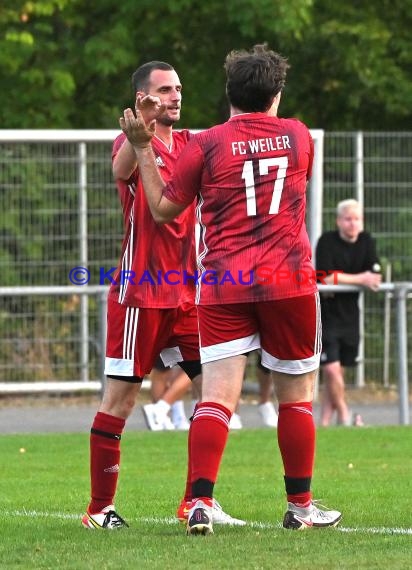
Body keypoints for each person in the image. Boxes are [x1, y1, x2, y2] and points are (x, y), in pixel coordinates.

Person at [120, 43, 342, 534]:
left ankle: (200, 503)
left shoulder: (205, 144)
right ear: (276, 94)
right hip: (288, 280)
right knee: (297, 397)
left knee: (216, 398)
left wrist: (141, 146)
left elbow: (160, 208)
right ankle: (300, 507)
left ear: (229, 93)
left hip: (225, 282)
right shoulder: (300, 136)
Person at [82, 60, 244, 530]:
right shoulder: (132, 144)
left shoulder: (194, 143)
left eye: (178, 88)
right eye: (164, 91)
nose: (175, 96)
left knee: (215, 392)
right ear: (142, 100)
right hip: (141, 293)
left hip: (190, 296)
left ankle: (196, 500)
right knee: (121, 402)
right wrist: (140, 136)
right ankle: (99, 509)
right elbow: (121, 165)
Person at [315, 199, 381, 426]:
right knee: (331, 369)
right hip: (327, 314)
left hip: (351, 314)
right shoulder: (326, 241)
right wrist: (359, 279)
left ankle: (324, 420)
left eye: (357, 219)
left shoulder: (367, 241)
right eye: (348, 219)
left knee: (337, 371)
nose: (353, 224)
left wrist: (346, 278)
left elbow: (374, 275)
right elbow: (323, 276)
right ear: (338, 221)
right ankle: (345, 414)